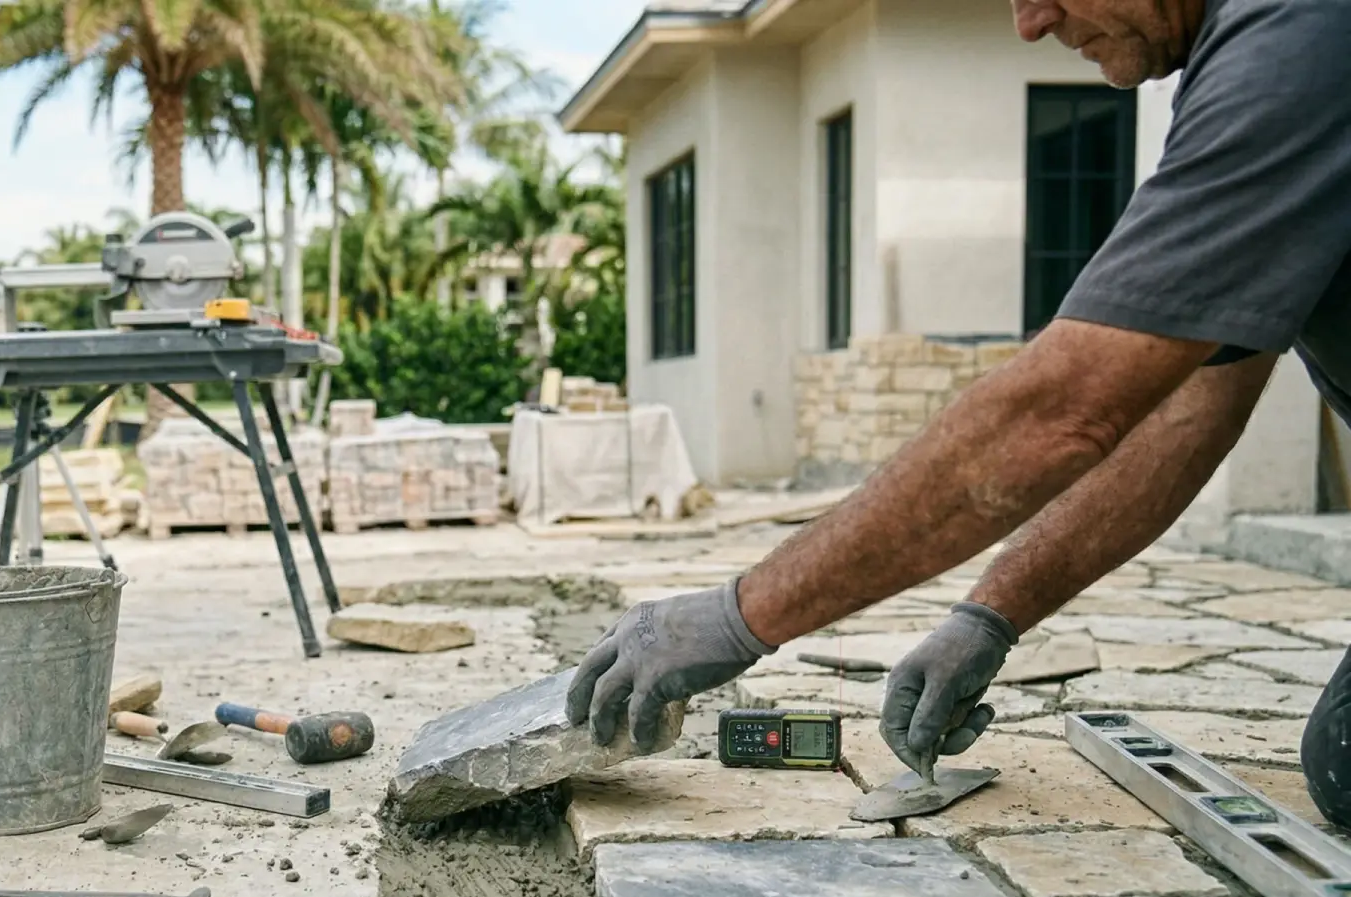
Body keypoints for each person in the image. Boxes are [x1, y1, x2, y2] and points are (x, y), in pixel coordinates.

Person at [564, 0, 1351, 830]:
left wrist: (738, 615)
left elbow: (1061, 411)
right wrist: (993, 612)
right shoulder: (1241, 64)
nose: (1029, 22)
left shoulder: (1303, 31)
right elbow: (1192, 409)